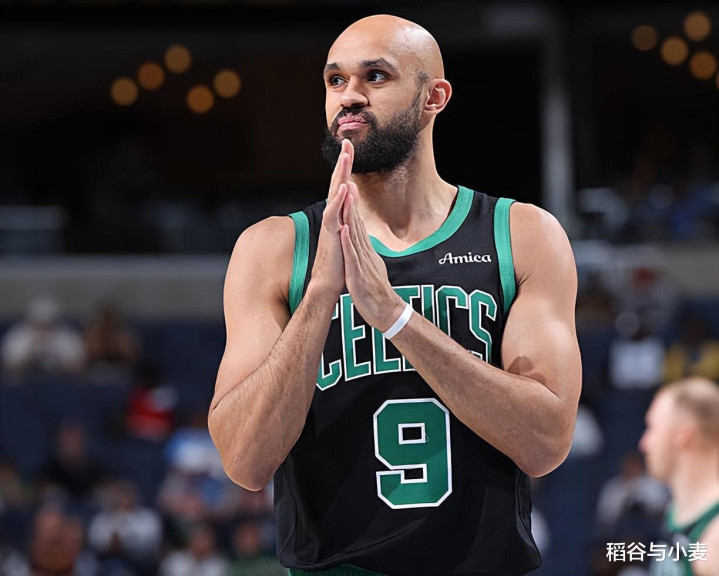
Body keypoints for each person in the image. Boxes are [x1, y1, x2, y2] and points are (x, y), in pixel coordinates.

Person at [209, 14, 581, 576]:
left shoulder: (520, 234)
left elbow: (546, 443)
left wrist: (395, 317)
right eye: (335, 80)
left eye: (375, 76)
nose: (349, 96)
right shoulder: (274, 248)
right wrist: (320, 295)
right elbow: (244, 461)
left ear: (434, 97)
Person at [638, 377, 719, 576]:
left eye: (652, 428)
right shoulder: (676, 513)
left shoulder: (714, 539)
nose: (644, 444)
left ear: (683, 435)